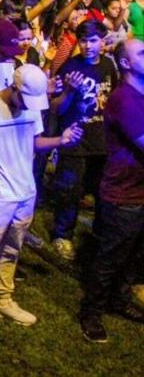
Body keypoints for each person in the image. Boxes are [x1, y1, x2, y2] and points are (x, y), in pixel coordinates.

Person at [0, 65, 82, 344]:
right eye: (25, 99)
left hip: (25, 192)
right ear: (14, 88)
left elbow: (34, 143)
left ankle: (2, 298)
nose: (29, 106)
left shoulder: (32, 107)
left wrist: (60, 140)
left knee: (12, 250)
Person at [80, 39, 144, 343]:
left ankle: (120, 299)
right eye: (142, 53)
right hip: (122, 195)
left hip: (139, 191)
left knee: (133, 255)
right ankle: (91, 312)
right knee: (109, 256)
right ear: (127, 64)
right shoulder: (125, 99)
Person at [49, 20, 118, 260]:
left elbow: (112, 100)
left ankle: (100, 234)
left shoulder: (108, 66)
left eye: (93, 41)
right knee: (69, 190)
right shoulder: (70, 67)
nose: (88, 46)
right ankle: (62, 234)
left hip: (102, 141)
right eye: (83, 41)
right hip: (75, 141)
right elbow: (56, 109)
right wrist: (69, 91)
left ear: (103, 41)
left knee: (102, 191)